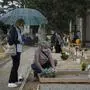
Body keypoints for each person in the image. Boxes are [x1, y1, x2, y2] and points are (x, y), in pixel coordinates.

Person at [7, 19, 25, 88]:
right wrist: (19, 42)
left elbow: (18, 38)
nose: (21, 25)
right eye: (20, 23)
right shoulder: (13, 29)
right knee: (15, 65)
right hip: (15, 50)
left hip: (18, 49)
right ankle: (10, 82)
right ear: (16, 22)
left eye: (21, 24)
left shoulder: (18, 29)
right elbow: (12, 40)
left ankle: (15, 80)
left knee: (17, 65)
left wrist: (21, 40)